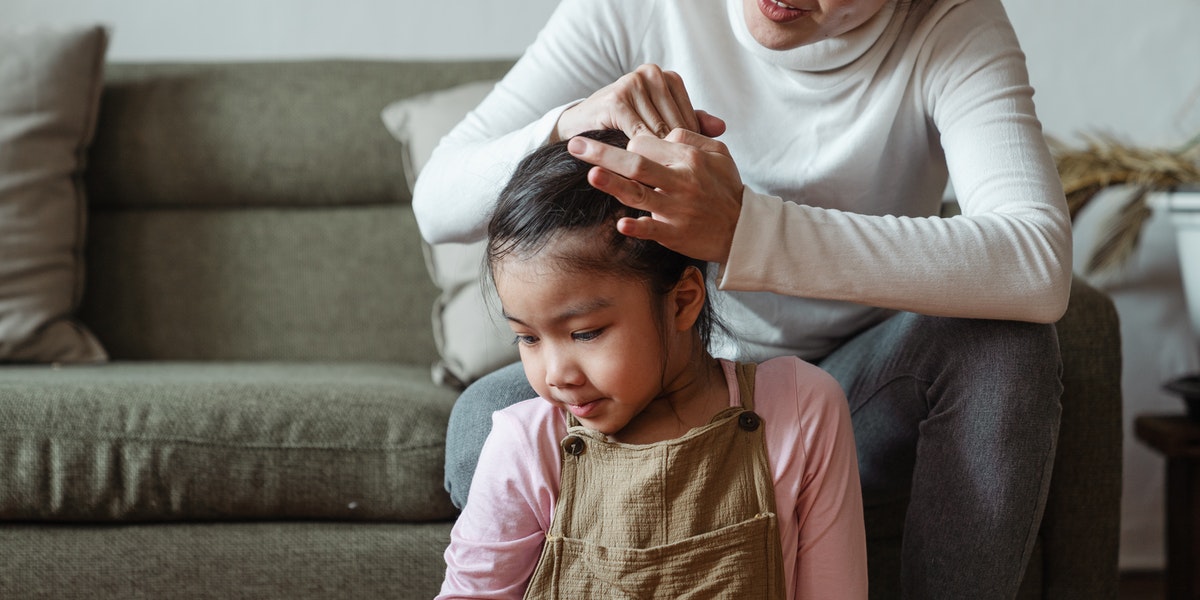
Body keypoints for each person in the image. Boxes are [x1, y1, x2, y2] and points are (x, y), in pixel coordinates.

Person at [414, 0, 1070, 597]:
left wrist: (746, 230)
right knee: (485, 420)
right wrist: (570, 122)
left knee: (1008, 342)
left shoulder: (950, 25)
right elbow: (437, 201)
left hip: (851, 393)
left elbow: (1036, 263)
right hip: (663, 366)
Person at [437, 129, 866, 599]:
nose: (556, 374)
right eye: (528, 338)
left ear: (683, 301)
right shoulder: (527, 444)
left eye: (586, 333)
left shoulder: (801, 407)